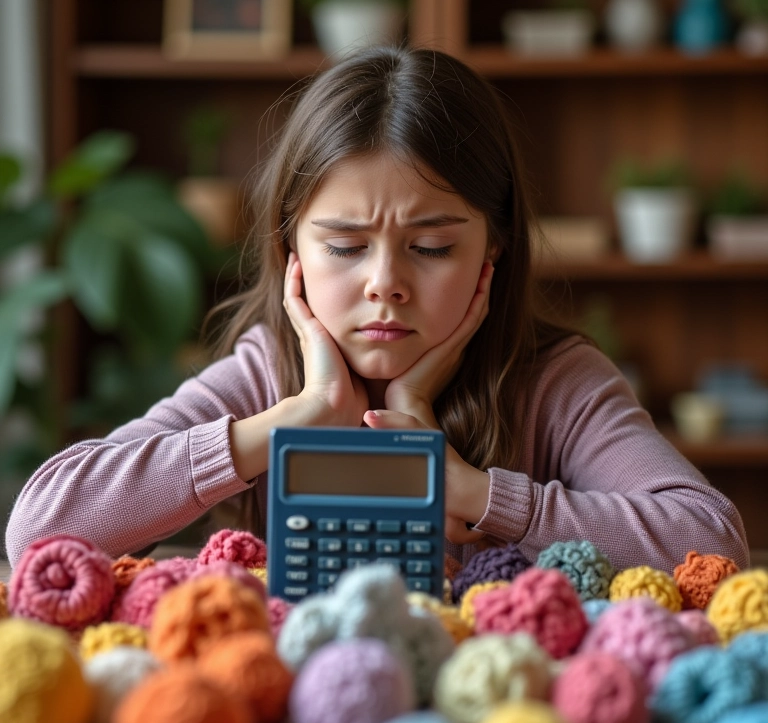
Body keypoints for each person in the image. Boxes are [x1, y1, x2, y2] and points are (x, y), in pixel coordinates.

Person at [4, 47, 748, 573]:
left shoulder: (554, 381)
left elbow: (712, 539)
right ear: (292, 251)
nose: (385, 284)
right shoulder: (272, 372)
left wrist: (470, 491)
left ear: (494, 251)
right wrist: (294, 417)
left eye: (430, 248)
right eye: (346, 246)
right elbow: (40, 527)